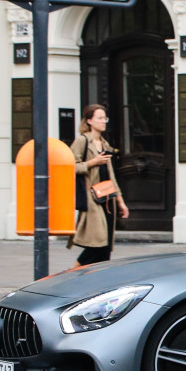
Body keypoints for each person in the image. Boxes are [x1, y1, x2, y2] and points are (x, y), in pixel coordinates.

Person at [69, 104, 129, 265]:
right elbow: (70, 166)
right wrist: (93, 162)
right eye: (100, 118)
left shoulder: (104, 144)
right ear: (89, 121)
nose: (104, 122)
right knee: (98, 242)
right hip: (92, 198)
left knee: (106, 245)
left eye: (105, 118)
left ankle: (97, 281)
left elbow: (111, 176)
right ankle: (71, 274)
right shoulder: (82, 141)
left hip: (107, 197)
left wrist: (121, 202)